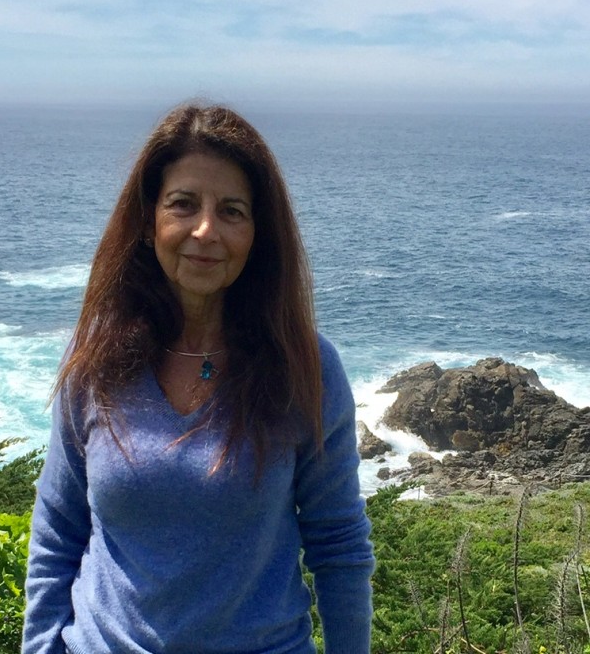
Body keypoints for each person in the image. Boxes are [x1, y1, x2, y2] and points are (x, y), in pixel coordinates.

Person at [23, 104, 374, 654]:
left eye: (232, 211)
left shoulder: (303, 366)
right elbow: (58, 533)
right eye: (183, 204)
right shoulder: (96, 360)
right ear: (148, 220)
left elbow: (339, 546)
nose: (205, 230)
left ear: (258, 232)